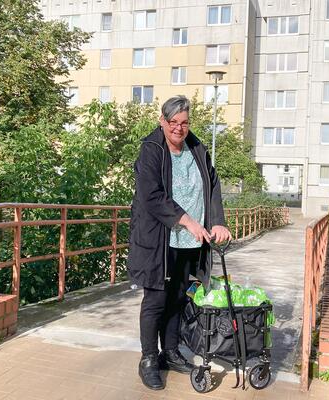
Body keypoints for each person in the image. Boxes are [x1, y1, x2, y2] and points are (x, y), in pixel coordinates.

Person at [127, 95, 232, 390]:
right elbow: (152, 195)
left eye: (184, 122)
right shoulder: (151, 150)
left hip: (190, 240)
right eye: (173, 122)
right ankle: (149, 359)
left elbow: (212, 184)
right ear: (162, 121)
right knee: (156, 299)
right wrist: (188, 221)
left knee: (179, 297)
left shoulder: (196, 147)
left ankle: (170, 352)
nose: (179, 128)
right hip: (160, 238)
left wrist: (217, 220)